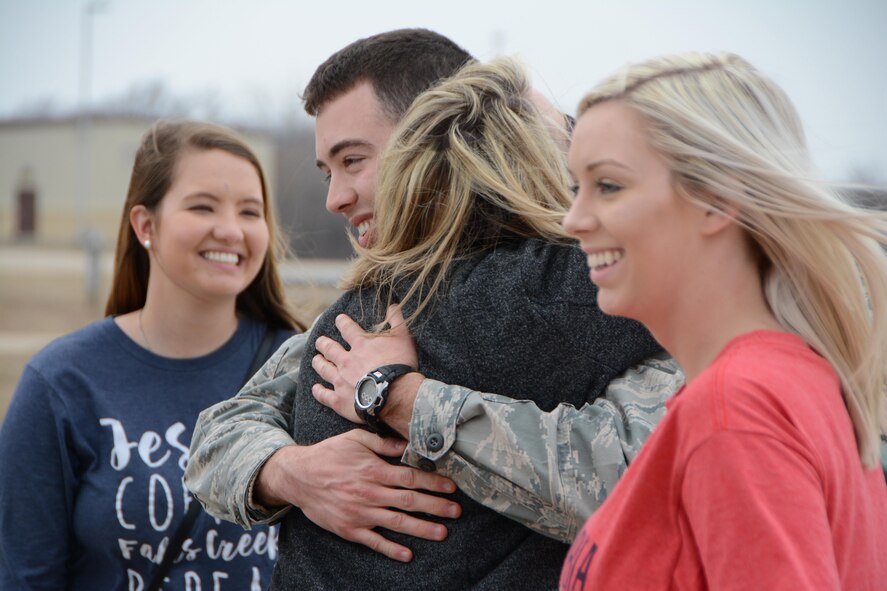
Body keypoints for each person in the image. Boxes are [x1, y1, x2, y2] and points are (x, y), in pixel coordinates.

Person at [185, 28, 679, 558]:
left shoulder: (617, 272)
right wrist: (292, 473)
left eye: (353, 161)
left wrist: (401, 397)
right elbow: (221, 434)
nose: (334, 198)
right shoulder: (381, 306)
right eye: (327, 171)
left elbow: (636, 478)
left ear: (437, 130)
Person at [556, 52, 887, 589]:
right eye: (576, 188)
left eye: (609, 186)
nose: (574, 220)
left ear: (716, 199)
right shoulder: (793, 378)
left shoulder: (735, 408)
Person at [0, 120, 303, 589]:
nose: (230, 230)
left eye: (250, 212)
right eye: (203, 207)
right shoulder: (61, 381)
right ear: (146, 225)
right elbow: (25, 573)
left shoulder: (304, 367)